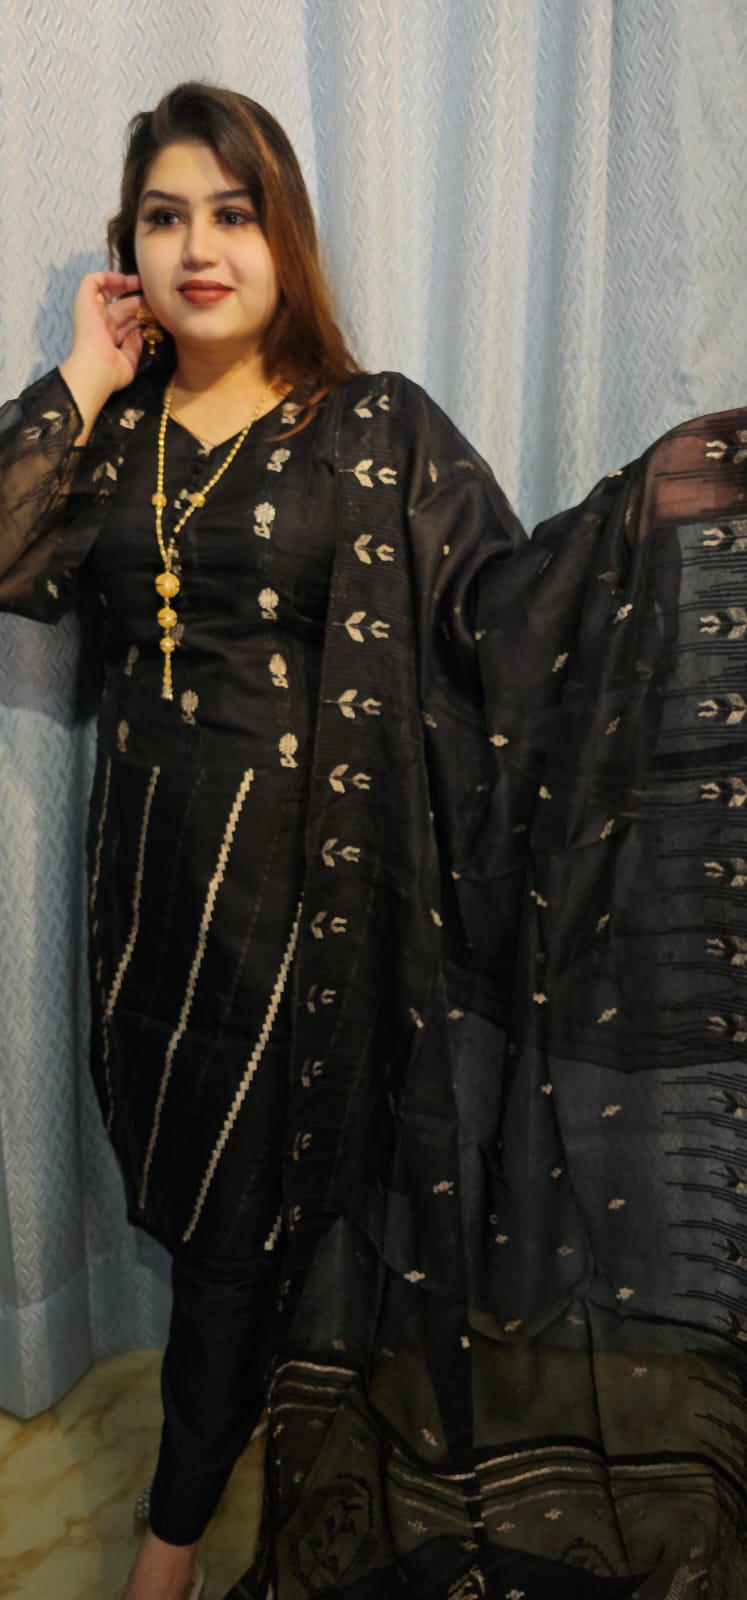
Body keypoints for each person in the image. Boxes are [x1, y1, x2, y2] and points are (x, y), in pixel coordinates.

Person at [2, 79, 747, 1600]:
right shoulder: (118, 436)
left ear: (284, 235)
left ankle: (167, 1546)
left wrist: (674, 506)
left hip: (306, 916)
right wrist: (80, 369)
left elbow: (502, 616)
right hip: (144, 906)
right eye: (164, 217)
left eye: (232, 213)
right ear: (129, 250)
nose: (199, 248)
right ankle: (250, 1427)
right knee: (201, 1215)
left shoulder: (370, 425)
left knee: (233, 1235)